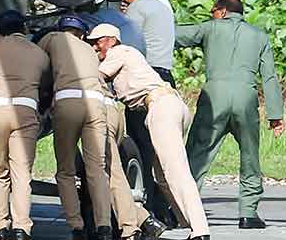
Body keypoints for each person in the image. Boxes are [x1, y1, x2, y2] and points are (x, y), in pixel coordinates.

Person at [88, 23, 209, 240]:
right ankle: (189, 223)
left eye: (97, 42)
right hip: (167, 104)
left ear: (112, 40)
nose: (94, 47)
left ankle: (200, 230)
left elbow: (95, 76)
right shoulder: (125, 53)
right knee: (162, 175)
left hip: (160, 105)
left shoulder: (119, 52)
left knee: (177, 171)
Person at [177, 0, 285, 230]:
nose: (212, 16)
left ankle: (185, 211)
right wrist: (276, 115)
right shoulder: (259, 36)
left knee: (197, 153)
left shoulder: (210, 28)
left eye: (213, 11)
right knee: (249, 155)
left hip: (213, 97)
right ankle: (248, 214)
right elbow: (269, 77)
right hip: (246, 99)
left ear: (222, 11)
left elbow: (176, 35)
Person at [38, 15, 112, 240]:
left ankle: (76, 225)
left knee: (66, 170)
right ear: (82, 33)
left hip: (68, 101)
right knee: (97, 168)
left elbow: (36, 59)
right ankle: (103, 226)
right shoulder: (90, 50)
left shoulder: (53, 38)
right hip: (96, 104)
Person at [0, 10, 49, 240]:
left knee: (0, 171)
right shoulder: (39, 53)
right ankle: (21, 227)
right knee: (22, 173)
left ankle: (0, 225)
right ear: (24, 29)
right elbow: (45, 82)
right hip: (25, 110)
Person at [121, 0, 176, 221]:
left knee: (140, 146)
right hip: (166, 77)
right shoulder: (164, 4)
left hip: (146, 78)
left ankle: (148, 208)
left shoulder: (137, 9)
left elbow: (128, 43)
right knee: (162, 150)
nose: (123, 0)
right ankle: (170, 211)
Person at [104, 93, 166, 240]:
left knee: (106, 173)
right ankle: (145, 220)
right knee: (112, 171)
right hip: (112, 107)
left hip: (95, 110)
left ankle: (130, 227)